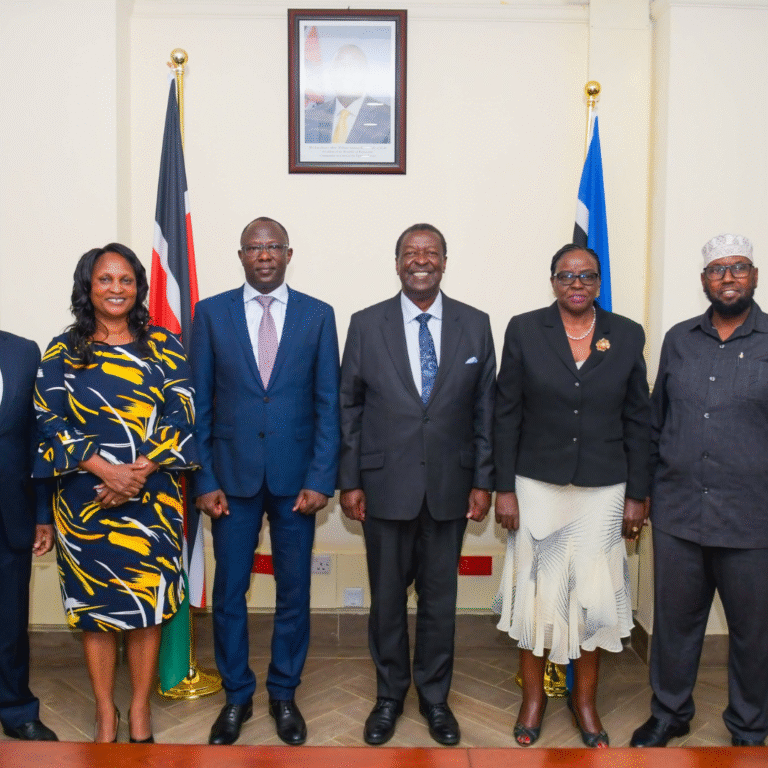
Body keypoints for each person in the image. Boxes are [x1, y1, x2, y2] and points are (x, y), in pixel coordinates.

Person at [339, 223, 495, 746]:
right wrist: (350, 480)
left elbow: (484, 410)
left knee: (439, 601)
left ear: (445, 262)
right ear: (398, 262)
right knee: (386, 601)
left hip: (452, 486)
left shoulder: (476, 324)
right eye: (411, 252)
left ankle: (434, 698)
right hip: (385, 486)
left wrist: (483, 480)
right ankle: (389, 697)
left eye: (430, 252)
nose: (420, 260)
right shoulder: (366, 324)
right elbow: (350, 408)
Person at [34, 243, 197, 743]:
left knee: (146, 606)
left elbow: (183, 413)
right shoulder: (62, 350)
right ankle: (107, 711)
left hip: (152, 499)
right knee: (97, 611)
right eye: (105, 279)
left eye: (125, 280)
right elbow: (48, 418)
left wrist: (136, 474)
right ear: (88, 286)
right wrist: (106, 471)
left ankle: (141, 708)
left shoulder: (165, 346)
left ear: (139, 287)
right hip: (85, 503)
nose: (116, 289)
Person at [494, 244, 650, 748]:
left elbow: (638, 419)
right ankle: (534, 699)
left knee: (593, 596)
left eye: (586, 276)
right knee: (537, 594)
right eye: (566, 275)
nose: (576, 283)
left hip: (604, 487)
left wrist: (638, 494)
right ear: (553, 282)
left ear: (599, 283)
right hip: (536, 483)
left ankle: (585, 702)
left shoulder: (626, 334)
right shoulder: (524, 329)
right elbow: (506, 414)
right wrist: (504, 489)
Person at [191, 217, 340, 747]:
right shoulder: (209, 315)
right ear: (241, 256)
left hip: (297, 483)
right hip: (229, 485)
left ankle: (283, 693)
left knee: (294, 593)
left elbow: (328, 404)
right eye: (254, 247)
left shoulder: (318, 316)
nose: (264, 255)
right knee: (230, 592)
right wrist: (204, 480)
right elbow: (199, 405)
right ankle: (236, 696)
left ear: (289, 253)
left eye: (272, 245)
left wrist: (323, 478)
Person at [631, 233, 768, 749]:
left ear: (754, 276)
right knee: (674, 625)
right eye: (717, 270)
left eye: (738, 268)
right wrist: (644, 497)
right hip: (680, 513)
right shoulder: (679, 340)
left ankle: (751, 725)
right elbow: (655, 421)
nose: (728, 278)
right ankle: (669, 713)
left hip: (752, 519)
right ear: (704, 281)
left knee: (754, 634)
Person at [0, 331, 57, 742]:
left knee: (10, 617)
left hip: (10, 509)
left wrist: (42, 512)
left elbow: (38, 439)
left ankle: (15, 706)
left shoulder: (22, 351)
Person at [305, 44, 391, 144]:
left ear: (366, 73)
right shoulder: (309, 117)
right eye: (339, 66)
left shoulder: (389, 118)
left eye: (354, 66)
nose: (345, 73)